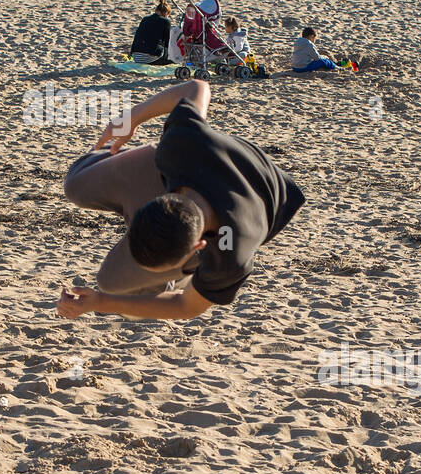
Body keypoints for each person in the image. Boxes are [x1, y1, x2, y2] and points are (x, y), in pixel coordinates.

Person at [57, 80, 305, 321]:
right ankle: (155, 252)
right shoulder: (182, 146)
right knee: (75, 184)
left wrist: (102, 302)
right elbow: (196, 86)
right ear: (156, 201)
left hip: (264, 195)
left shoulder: (230, 254)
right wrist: (132, 118)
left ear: (198, 248)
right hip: (194, 164)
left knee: (112, 283)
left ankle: (179, 272)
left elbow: (186, 305)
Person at [130, 0, 173, 64]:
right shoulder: (165, 22)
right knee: (173, 61)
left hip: (136, 56)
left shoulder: (145, 19)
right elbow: (167, 42)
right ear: (165, 13)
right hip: (149, 58)